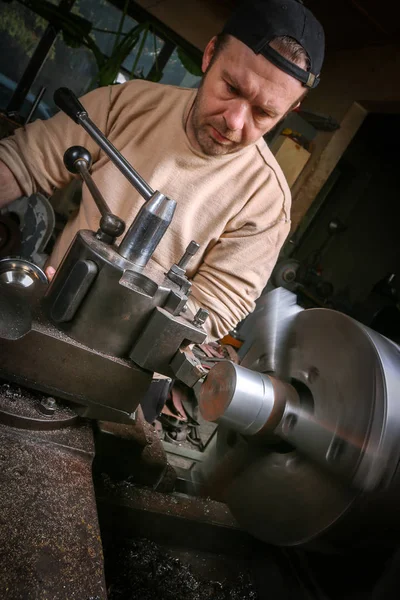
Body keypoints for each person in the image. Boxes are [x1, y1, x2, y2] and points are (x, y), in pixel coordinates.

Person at [0, 0, 325, 342]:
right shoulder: (130, 104)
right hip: (43, 314)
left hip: (124, 363)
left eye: (264, 113)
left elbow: (209, 314)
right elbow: (21, 161)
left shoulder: (266, 202)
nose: (235, 121)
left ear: (290, 110)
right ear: (210, 54)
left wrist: (106, 314)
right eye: (231, 88)